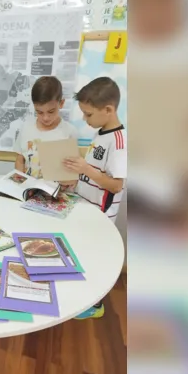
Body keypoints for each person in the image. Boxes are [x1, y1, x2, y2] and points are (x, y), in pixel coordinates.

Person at [63, 77, 127, 320]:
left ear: (108, 110)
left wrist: (85, 170)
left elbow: (116, 185)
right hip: (84, 206)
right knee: (79, 251)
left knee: (94, 256)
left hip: (101, 214)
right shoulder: (101, 134)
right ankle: (83, 296)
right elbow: (95, 172)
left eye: (88, 114)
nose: (84, 119)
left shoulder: (119, 143)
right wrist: (76, 179)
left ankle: (95, 303)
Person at [13, 76, 79, 185]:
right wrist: (19, 183)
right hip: (28, 191)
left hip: (55, 193)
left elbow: (73, 177)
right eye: (39, 112)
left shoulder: (69, 132)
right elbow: (20, 160)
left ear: (61, 103)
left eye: (51, 111)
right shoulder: (26, 128)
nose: (45, 118)